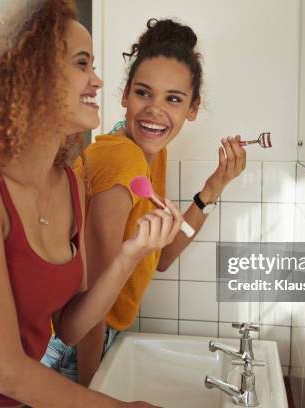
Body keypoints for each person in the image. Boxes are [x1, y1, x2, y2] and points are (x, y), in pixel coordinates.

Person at [0, 1, 180, 406]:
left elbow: (68, 326)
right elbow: (3, 370)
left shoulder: (70, 184)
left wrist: (132, 253)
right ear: (31, 74)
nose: (97, 80)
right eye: (82, 63)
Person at [42, 18, 247, 386]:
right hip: (73, 348)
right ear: (124, 96)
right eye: (143, 93)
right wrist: (93, 389)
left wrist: (213, 188)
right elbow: (91, 301)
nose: (155, 110)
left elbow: (162, 256)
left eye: (173, 99)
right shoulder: (122, 159)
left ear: (192, 108)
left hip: (98, 337)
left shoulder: (152, 154)